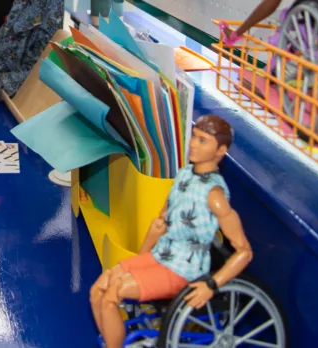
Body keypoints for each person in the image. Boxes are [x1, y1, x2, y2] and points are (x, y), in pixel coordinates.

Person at [89, 115, 252, 348]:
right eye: (194, 137)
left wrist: (212, 284)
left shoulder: (214, 196)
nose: (194, 144)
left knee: (113, 293)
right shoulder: (185, 175)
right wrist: (140, 256)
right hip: (162, 255)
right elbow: (160, 223)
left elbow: (244, 251)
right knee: (98, 289)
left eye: (203, 141)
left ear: (220, 150)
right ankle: (111, 340)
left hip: (185, 268)